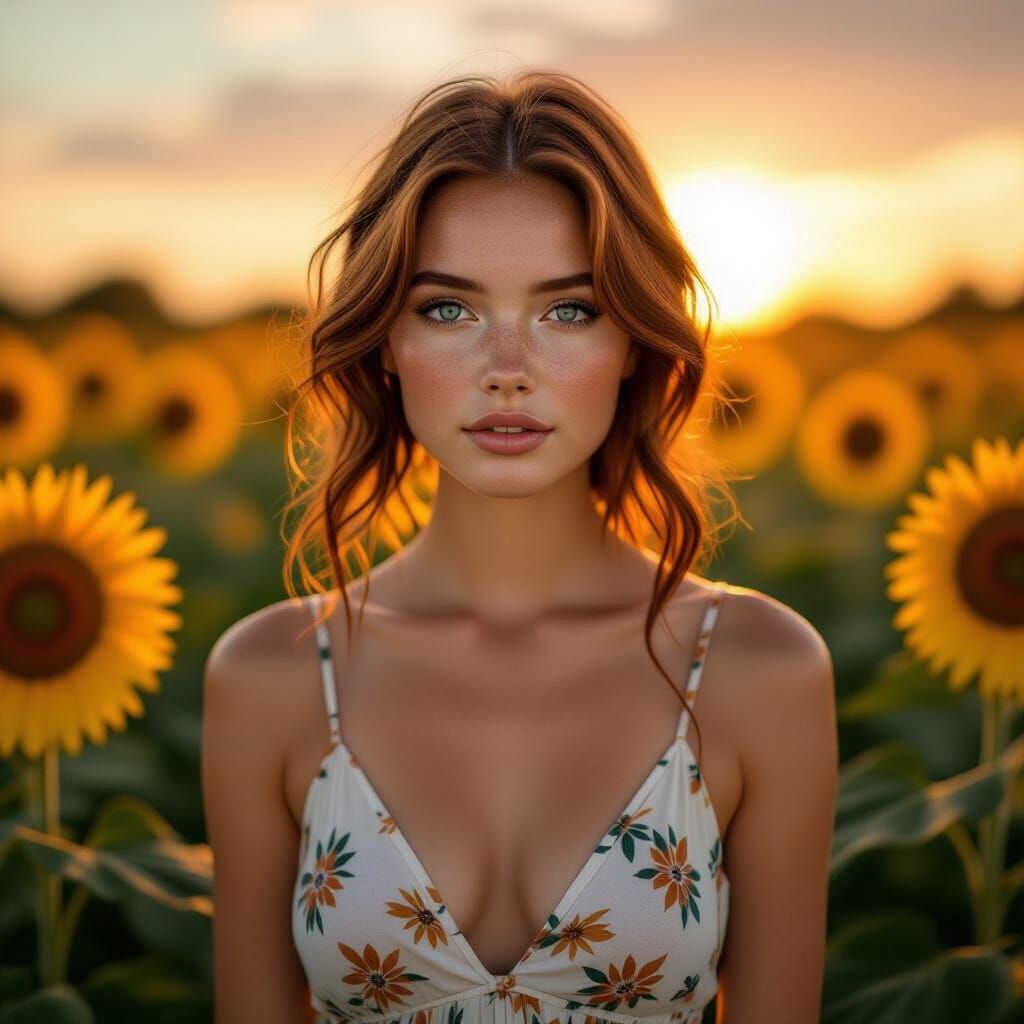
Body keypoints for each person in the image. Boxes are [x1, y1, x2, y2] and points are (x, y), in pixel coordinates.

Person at [202, 70, 838, 1024]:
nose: (507, 371)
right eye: (449, 310)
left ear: (633, 340)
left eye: (567, 310)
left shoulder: (760, 671)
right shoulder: (272, 678)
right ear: (383, 337)